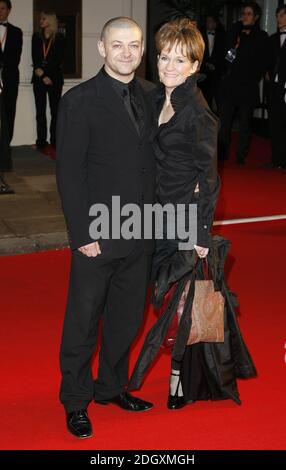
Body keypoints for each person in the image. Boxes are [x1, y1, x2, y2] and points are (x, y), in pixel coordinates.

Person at [128, 18, 256, 410]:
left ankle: (179, 380)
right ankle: (186, 372)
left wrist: (200, 235)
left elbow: (210, 179)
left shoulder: (198, 113)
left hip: (184, 218)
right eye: (164, 56)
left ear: (195, 66)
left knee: (182, 303)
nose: (168, 66)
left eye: (180, 60)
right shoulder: (154, 97)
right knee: (165, 298)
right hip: (153, 214)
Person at [56, 17, 156, 439]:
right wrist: (82, 234)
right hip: (99, 229)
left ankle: (111, 388)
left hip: (145, 229)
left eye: (134, 45)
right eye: (118, 45)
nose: (127, 53)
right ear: (101, 48)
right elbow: (70, 173)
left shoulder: (154, 94)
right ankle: (76, 401)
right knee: (83, 320)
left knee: (127, 319)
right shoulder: (79, 100)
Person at [218, 2, 268, 165]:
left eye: (248, 14)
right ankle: (222, 154)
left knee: (245, 123)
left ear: (256, 17)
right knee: (225, 122)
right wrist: (235, 41)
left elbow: (262, 63)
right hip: (231, 84)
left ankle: (241, 156)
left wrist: (253, 77)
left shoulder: (261, 36)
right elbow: (227, 57)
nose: (244, 17)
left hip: (248, 86)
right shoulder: (235, 32)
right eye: (243, 14)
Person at [32, 11, 64, 150]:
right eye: (40, 18)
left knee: (55, 111)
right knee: (40, 111)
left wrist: (48, 75)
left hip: (54, 79)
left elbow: (58, 59)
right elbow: (35, 58)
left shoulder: (60, 38)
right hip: (39, 78)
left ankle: (55, 141)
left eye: (43, 18)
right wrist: (43, 75)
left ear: (50, 21)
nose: (41, 21)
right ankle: (41, 141)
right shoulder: (36, 37)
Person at [0, 0, 22, 194]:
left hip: (9, 82)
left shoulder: (16, 32)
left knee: (9, 117)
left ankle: (4, 155)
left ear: (9, 10)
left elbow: (15, 58)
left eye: (3, 8)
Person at [266, 5, 286, 170]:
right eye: (277, 15)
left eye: (281, 15)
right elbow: (266, 61)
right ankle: (276, 159)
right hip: (274, 88)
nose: (277, 19)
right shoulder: (272, 39)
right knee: (275, 123)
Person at [200, 13, 226, 111]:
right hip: (204, 71)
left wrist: (218, 66)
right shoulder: (200, 35)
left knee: (219, 97)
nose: (208, 23)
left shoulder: (222, 36)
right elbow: (199, 52)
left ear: (215, 24)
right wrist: (205, 63)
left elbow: (225, 53)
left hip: (217, 72)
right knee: (205, 98)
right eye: (207, 21)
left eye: (211, 21)